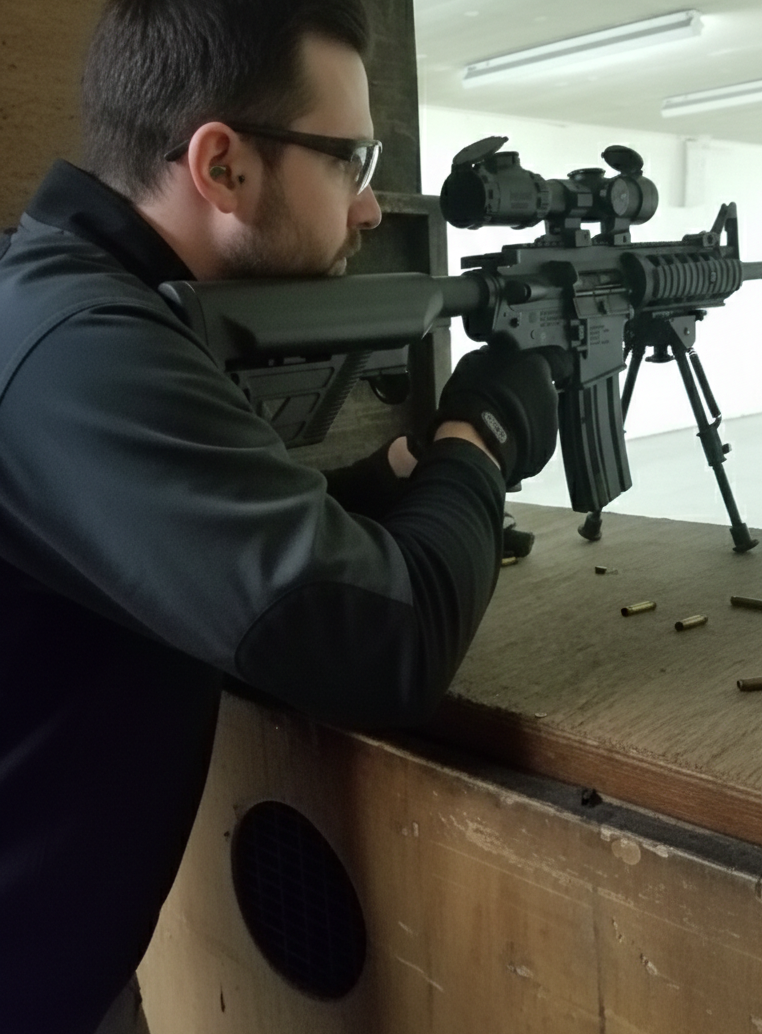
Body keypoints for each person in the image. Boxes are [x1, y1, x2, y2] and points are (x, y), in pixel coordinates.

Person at [0, 0, 558, 1031]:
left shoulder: (69, 301)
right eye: (350, 157)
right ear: (223, 167)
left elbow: (196, 555)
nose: (370, 205)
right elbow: (388, 640)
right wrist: (482, 438)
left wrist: (398, 469)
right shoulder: (84, 351)